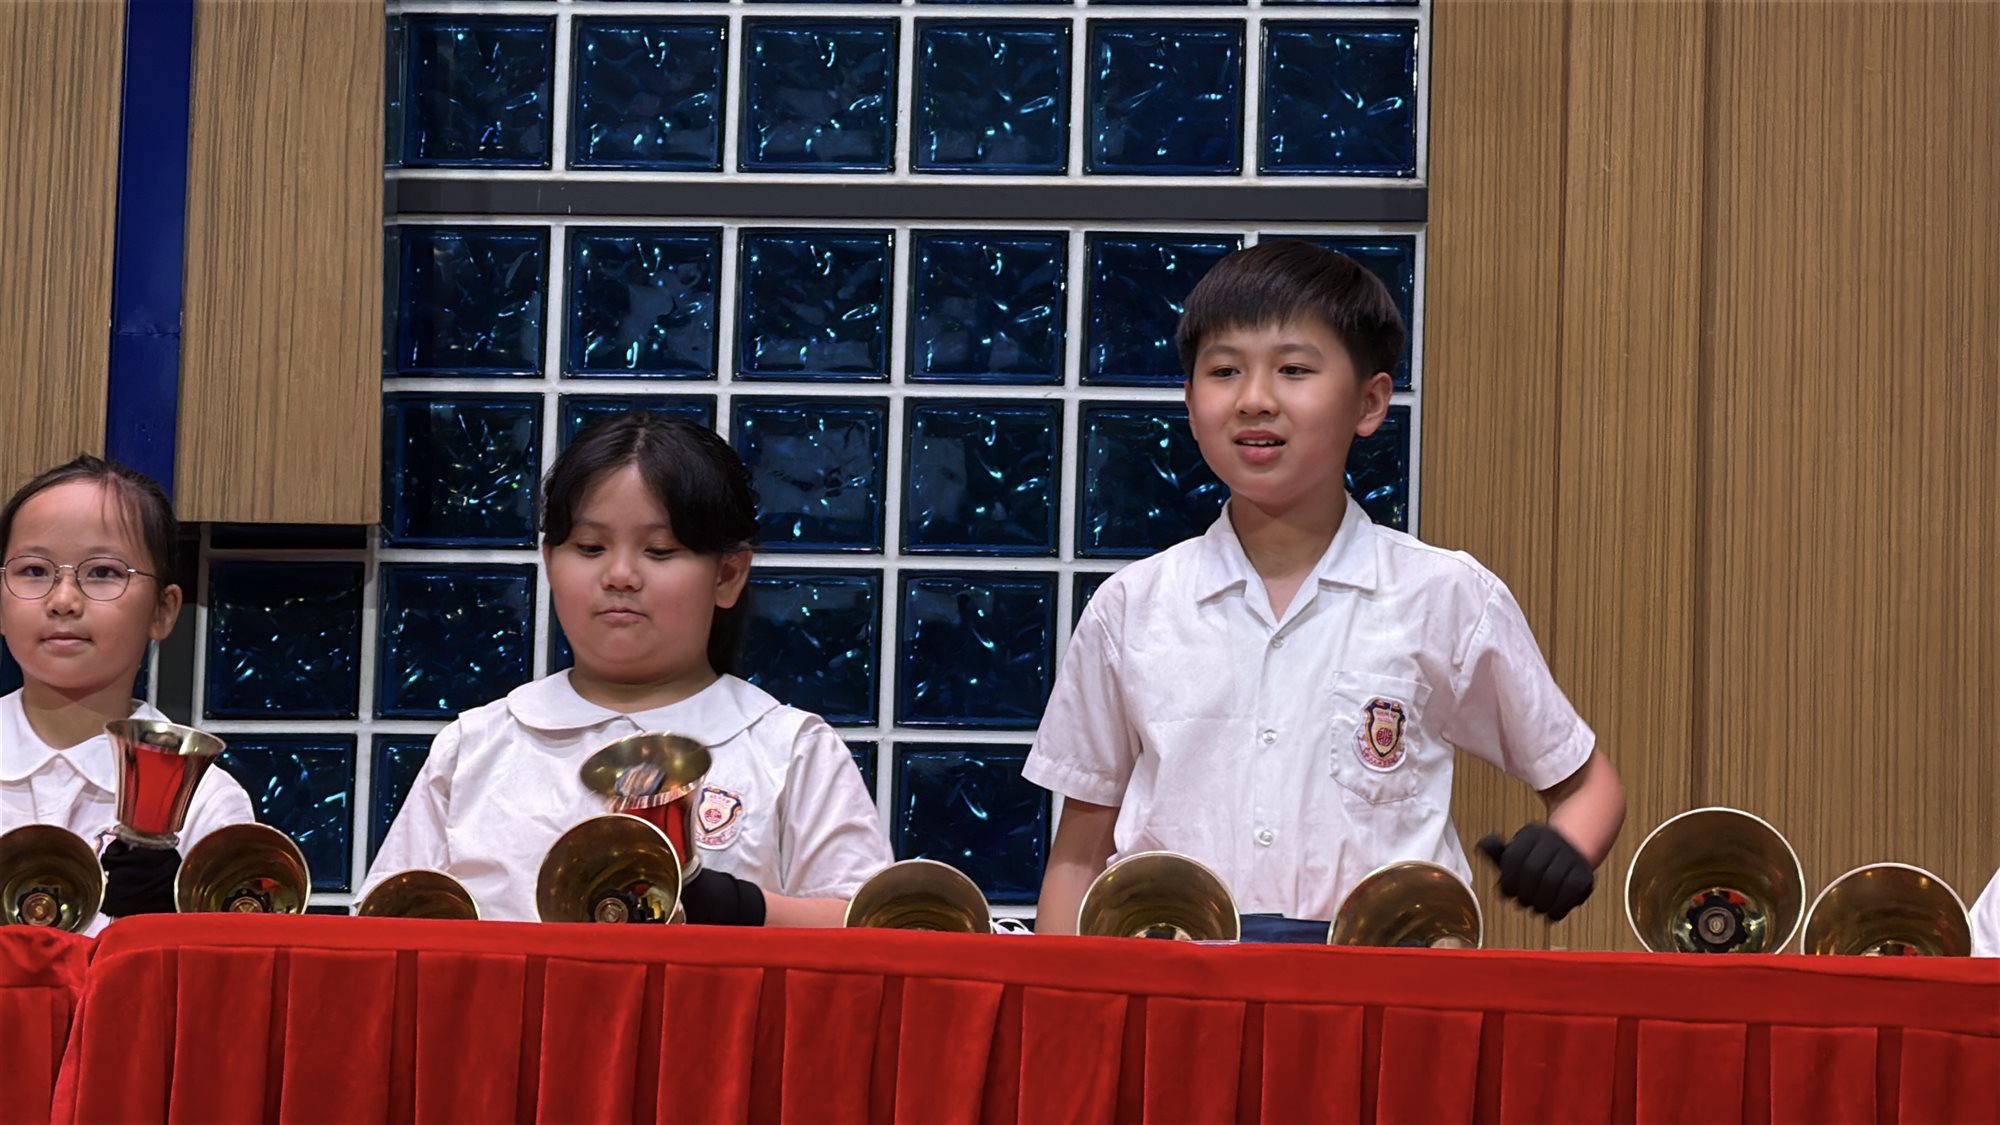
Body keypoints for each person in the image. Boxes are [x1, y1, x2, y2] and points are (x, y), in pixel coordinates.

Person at [1026, 240, 1628, 941]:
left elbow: (1589, 785)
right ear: (1190, 403)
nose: (1255, 400)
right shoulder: (1131, 608)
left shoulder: (1444, 594)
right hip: (1177, 981)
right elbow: (1077, 857)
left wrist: (1568, 848)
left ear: (1369, 402)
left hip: (1384, 982)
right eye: (1224, 371)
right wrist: (1059, 1001)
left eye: (1293, 369)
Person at [361, 415, 890, 924]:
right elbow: (383, 928)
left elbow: (872, 930)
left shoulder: (790, 750)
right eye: (590, 547)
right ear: (550, 563)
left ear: (728, 574)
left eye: (659, 551)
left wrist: (731, 905)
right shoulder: (475, 748)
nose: (619, 575)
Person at [0, 455, 255, 932]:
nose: (63, 600)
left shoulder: (205, 801)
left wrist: (173, 922)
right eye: (34, 570)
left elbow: (230, 967)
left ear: (162, 610)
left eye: (103, 573)